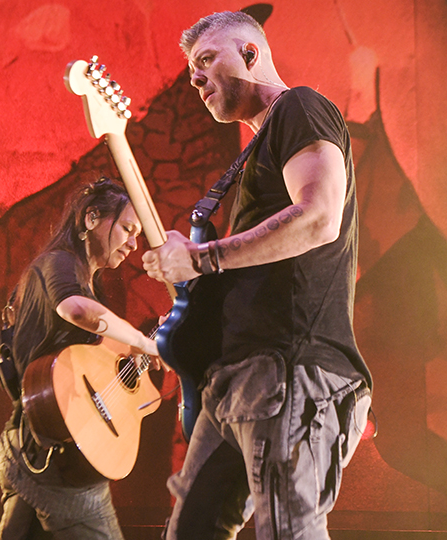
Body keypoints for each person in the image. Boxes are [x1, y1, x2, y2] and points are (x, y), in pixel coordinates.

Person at [142, 11, 373, 540]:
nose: (195, 78)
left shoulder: (299, 107)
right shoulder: (254, 153)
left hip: (289, 371)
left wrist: (202, 259)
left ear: (250, 54)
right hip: (235, 381)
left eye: (206, 60)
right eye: (191, 69)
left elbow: (318, 217)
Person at [0, 177, 160, 540]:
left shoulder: (88, 280)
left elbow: (92, 365)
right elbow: (74, 309)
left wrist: (142, 351)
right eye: (128, 229)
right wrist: (142, 342)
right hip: (53, 455)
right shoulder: (59, 263)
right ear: (91, 219)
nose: (133, 243)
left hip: (39, 448)